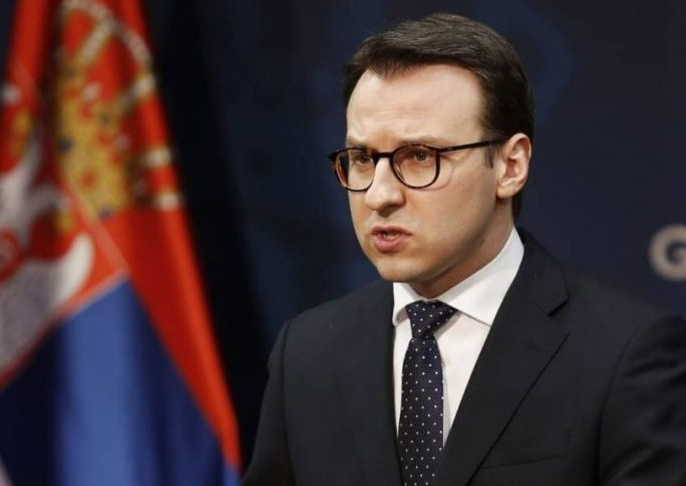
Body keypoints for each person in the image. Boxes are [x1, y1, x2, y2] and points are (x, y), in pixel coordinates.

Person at [241, 12, 686, 486]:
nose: (379, 195)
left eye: (420, 156)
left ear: (511, 166)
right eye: (363, 158)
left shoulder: (624, 354)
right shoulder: (306, 353)